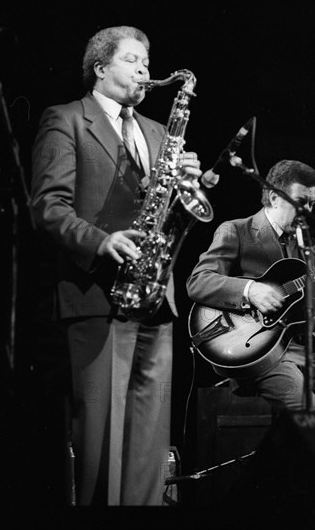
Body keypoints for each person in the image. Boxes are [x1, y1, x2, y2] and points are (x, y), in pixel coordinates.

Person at [30, 25, 202, 506]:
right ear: (100, 68)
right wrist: (102, 242)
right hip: (97, 295)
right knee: (102, 446)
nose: (146, 70)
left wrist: (188, 185)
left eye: (147, 60)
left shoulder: (158, 131)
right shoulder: (65, 119)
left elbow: (167, 213)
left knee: (149, 451)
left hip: (154, 297)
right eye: (132, 59)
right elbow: (49, 206)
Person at [187, 159, 315, 414]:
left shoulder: (306, 246)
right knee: (307, 408)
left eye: (312, 204)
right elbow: (197, 282)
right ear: (274, 198)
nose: (308, 211)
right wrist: (250, 290)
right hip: (256, 351)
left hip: (300, 347)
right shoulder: (236, 230)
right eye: (301, 202)